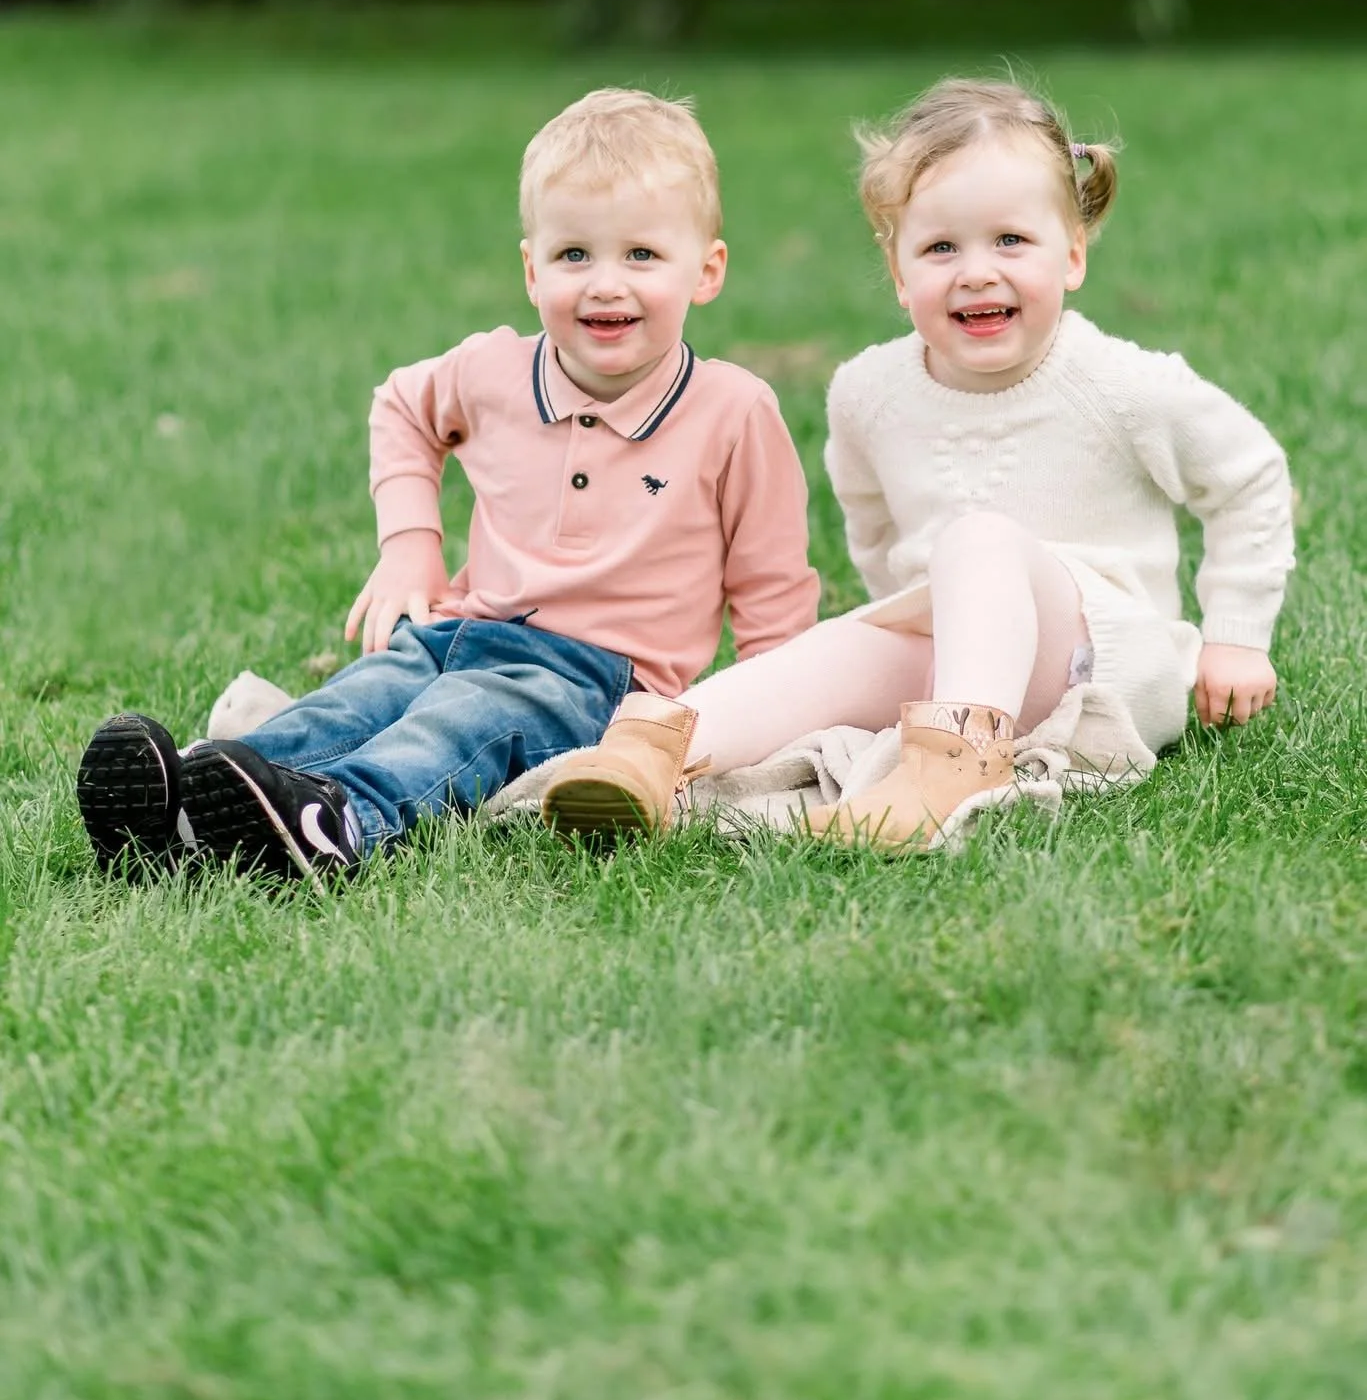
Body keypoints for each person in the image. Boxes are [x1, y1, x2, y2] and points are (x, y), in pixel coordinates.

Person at [76, 88, 819, 884]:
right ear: (531, 270)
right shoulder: (492, 371)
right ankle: (194, 798)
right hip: (458, 631)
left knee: (454, 727)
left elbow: (770, 586)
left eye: (641, 255)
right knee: (360, 698)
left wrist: (768, 717)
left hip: (594, 680)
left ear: (705, 271)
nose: (605, 284)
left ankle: (340, 820)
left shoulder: (732, 412)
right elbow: (401, 407)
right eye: (574, 256)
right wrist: (409, 547)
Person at [540, 76, 1295, 850]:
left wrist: (1235, 636)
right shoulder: (869, 394)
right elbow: (874, 535)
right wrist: (913, 645)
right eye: (940, 248)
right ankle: (654, 751)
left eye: (1010, 240)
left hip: (1102, 663)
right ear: (898, 273)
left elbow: (1249, 477)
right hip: (955, 662)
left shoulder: (1121, 383)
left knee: (976, 539)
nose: (975, 271)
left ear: (1071, 254)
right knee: (836, 649)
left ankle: (947, 770)